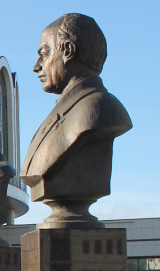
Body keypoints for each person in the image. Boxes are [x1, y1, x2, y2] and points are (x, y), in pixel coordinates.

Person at [20, 13, 131, 225]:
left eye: (44, 54)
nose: (36, 66)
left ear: (68, 51)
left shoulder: (100, 108)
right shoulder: (66, 109)